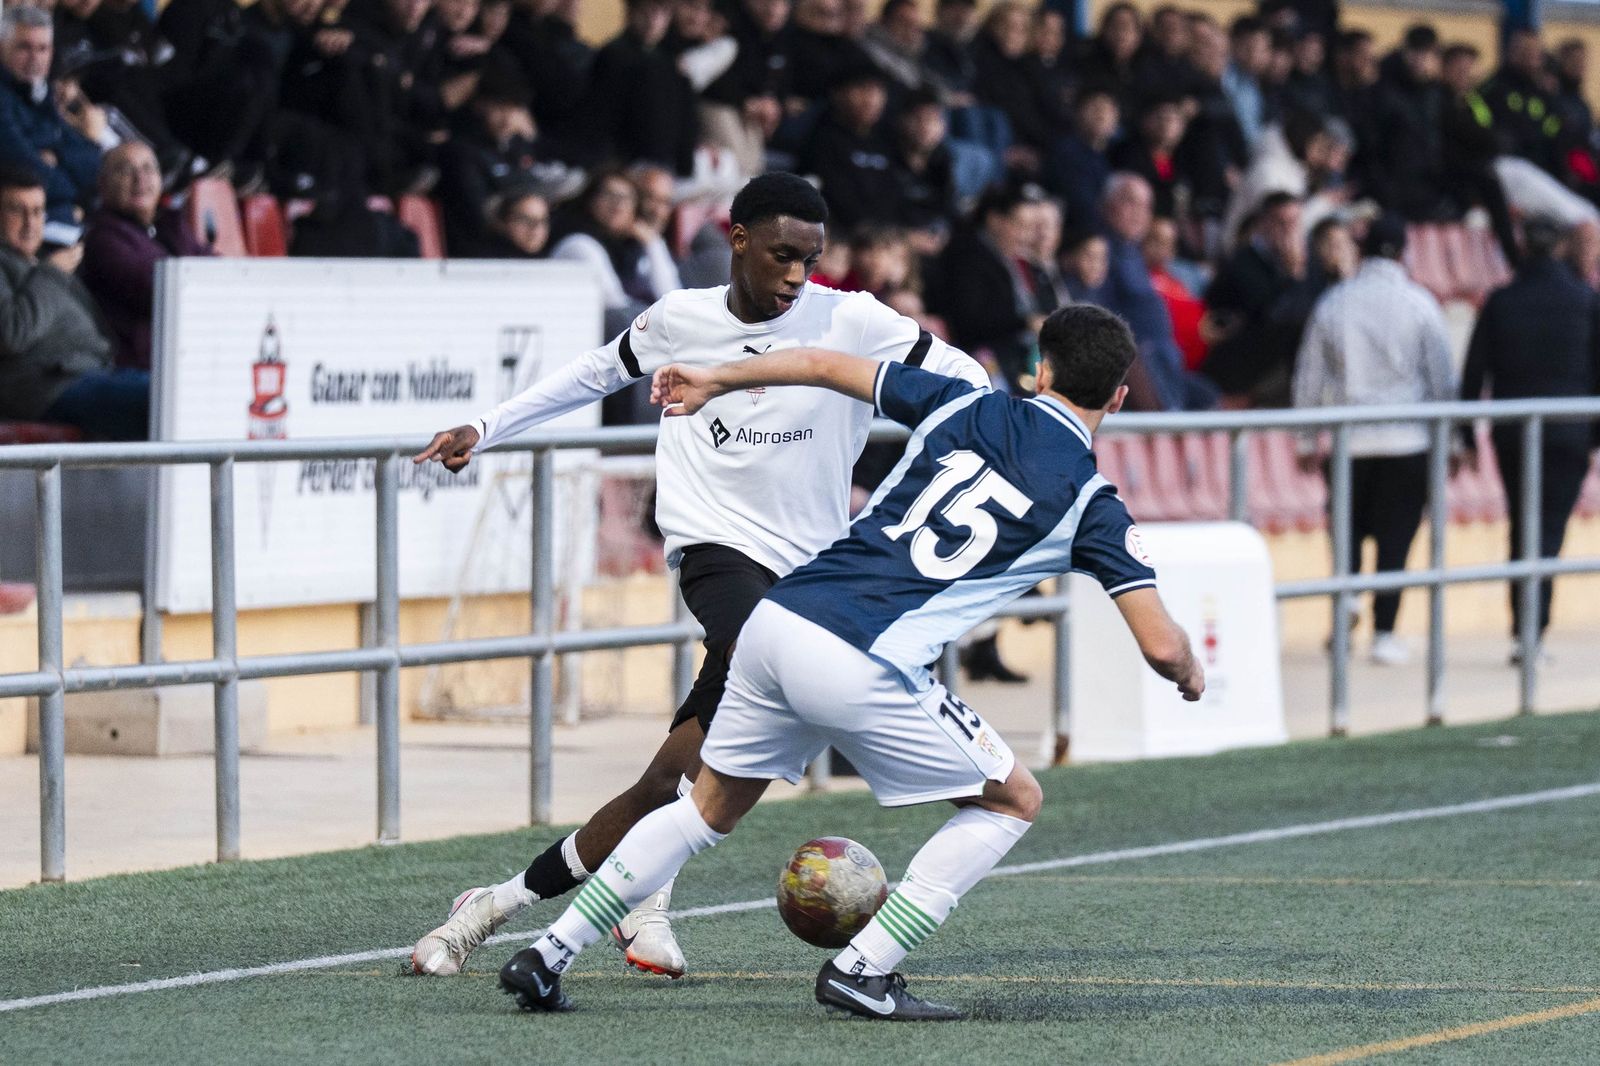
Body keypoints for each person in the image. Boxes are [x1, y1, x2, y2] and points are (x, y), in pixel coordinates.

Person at [498, 303, 1204, 1019]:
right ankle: (865, 968)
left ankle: (547, 954)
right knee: (1013, 800)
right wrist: (1190, 672)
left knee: (704, 809)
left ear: (1040, 369)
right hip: (865, 657)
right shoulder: (1092, 501)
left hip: (779, 620)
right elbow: (1160, 644)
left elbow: (818, 363)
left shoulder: (964, 403)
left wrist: (717, 379)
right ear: (1118, 397)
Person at [407, 171, 989, 980]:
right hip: (717, 552)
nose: (796, 276)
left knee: (673, 781)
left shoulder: (852, 318)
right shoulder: (679, 318)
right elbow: (588, 376)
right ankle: (612, 913)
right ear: (737, 238)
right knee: (727, 716)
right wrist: (484, 426)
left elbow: (968, 383)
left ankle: (501, 905)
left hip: (812, 581)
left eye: (810, 260)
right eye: (782, 255)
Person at [1292, 215, 1454, 666]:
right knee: (1395, 540)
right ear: (1403, 252)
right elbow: (1441, 376)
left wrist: (1307, 438)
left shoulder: (1335, 301)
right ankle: (1385, 631)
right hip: (1407, 440)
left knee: (1346, 530)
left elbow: (1310, 375)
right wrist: (1455, 439)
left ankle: (1346, 600)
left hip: (1350, 441)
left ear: (1361, 252)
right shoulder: (1420, 303)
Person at [1459, 217, 1600, 659]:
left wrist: (1465, 434)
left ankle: (1525, 630)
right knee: (1550, 529)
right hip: (1570, 433)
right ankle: (1533, 631)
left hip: (1513, 434)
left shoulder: (1501, 301)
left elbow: (1473, 372)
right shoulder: (1586, 300)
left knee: (1523, 525)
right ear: (1559, 249)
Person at [0, 164, 145, 440]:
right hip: (45, 389)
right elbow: (11, 333)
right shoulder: (45, 268)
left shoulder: (43, 262)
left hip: (91, 376)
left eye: (37, 211)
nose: (31, 223)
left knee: (175, 393)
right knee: (158, 397)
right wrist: (52, 274)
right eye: (17, 210)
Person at [78, 142, 210, 371]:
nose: (140, 179)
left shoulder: (169, 224)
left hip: (186, 355)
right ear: (103, 185)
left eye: (148, 169)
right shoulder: (103, 240)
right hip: (142, 368)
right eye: (125, 170)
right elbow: (162, 293)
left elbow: (215, 268)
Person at [0, 7, 101, 234]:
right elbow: (28, 168)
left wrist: (56, 156)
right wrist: (79, 194)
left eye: (43, 49)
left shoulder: (39, 90)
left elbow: (93, 162)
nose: (35, 58)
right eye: (24, 47)